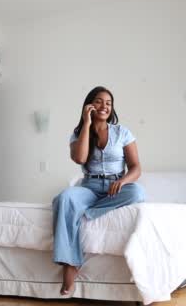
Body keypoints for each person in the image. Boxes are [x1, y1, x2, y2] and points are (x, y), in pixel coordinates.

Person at [52, 86, 145, 296]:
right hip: (90, 187)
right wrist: (86, 123)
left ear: (112, 108)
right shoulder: (78, 133)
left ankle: (88, 211)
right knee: (64, 198)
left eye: (108, 103)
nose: (104, 106)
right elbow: (80, 159)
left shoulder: (123, 133)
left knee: (137, 193)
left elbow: (136, 167)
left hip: (115, 187)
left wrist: (122, 181)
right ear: (90, 105)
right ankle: (71, 263)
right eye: (99, 101)